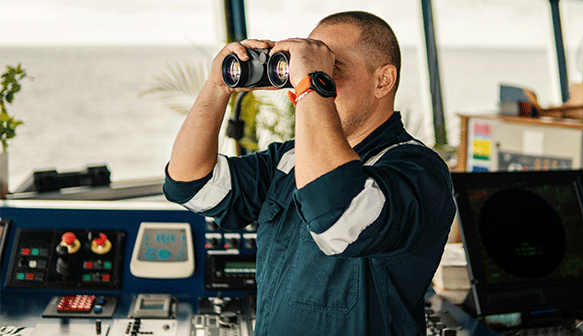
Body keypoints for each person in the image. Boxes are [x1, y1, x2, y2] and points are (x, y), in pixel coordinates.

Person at [164, 10, 456, 336]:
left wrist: (311, 85)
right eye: (311, 71)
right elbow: (189, 184)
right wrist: (217, 86)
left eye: (332, 70)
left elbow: (339, 216)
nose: (308, 82)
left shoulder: (417, 170)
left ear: (383, 80)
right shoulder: (289, 158)